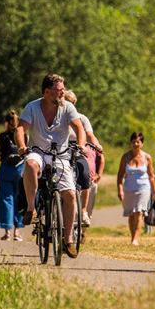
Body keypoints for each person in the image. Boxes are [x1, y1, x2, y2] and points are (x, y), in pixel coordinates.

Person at [16, 73, 86, 258]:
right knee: (30, 165)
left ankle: (68, 239)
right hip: (38, 151)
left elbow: (79, 128)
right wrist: (22, 146)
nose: (62, 94)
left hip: (61, 155)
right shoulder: (32, 107)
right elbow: (21, 128)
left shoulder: (67, 107)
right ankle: (31, 208)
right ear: (47, 92)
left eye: (63, 90)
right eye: (59, 91)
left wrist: (80, 145)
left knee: (70, 194)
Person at [63, 89, 103, 227]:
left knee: (85, 173)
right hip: (61, 150)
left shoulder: (82, 118)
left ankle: (84, 210)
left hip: (78, 149)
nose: (68, 105)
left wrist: (96, 144)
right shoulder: (58, 117)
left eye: (71, 102)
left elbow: (90, 135)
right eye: (66, 102)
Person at [117, 132, 155, 245]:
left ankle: (135, 239)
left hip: (143, 188)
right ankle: (132, 237)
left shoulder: (147, 157)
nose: (135, 144)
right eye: (133, 141)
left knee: (139, 212)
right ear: (131, 143)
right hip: (128, 190)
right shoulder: (125, 157)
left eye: (138, 142)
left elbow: (151, 175)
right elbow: (120, 175)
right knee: (131, 214)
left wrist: (154, 191)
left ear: (142, 144)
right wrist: (120, 189)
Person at [0, 110, 25, 241]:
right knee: (19, 199)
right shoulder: (24, 136)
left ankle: (7, 232)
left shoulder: (1, 137)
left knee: (6, 199)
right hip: (20, 169)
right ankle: (17, 232)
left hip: (5, 169)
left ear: (6, 122)